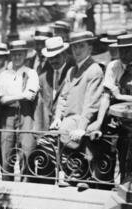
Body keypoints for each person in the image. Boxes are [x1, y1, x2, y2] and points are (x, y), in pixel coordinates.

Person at [51, 31, 104, 184]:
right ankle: (71, 172)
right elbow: (63, 97)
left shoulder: (94, 70)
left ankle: (79, 174)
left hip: (83, 121)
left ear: (90, 48)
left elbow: (91, 103)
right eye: (74, 47)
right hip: (69, 119)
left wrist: (81, 127)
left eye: (81, 46)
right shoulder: (72, 71)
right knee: (47, 140)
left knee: (65, 136)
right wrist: (57, 118)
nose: (77, 50)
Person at [0, 40, 40, 180]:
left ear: (25, 55)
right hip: (8, 115)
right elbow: (2, 99)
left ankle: (25, 184)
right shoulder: (4, 75)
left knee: (26, 151)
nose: (16, 57)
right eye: (14, 54)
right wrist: (21, 95)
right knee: (6, 150)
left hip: (26, 114)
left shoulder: (31, 73)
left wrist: (12, 97)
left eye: (20, 54)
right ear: (10, 55)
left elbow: (31, 96)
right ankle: (6, 184)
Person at [91, 33, 132, 182]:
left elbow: (117, 95)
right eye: (121, 50)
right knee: (101, 141)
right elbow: (106, 96)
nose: (124, 54)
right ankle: (104, 183)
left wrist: (121, 96)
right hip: (118, 119)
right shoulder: (113, 66)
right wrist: (99, 122)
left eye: (128, 50)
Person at [34, 37, 71, 132]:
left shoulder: (72, 74)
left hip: (66, 127)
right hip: (47, 128)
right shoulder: (43, 78)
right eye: (50, 58)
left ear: (64, 55)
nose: (53, 61)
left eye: (56, 57)